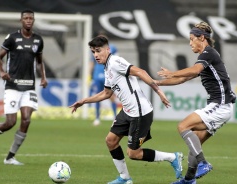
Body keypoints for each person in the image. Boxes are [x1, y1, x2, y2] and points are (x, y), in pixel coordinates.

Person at [70, 36, 183, 184]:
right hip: (127, 112)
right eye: (93, 52)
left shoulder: (116, 62)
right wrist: (84, 101)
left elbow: (140, 71)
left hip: (140, 113)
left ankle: (173, 157)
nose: (96, 55)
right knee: (111, 141)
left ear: (107, 50)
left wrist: (159, 91)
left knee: (133, 154)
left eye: (98, 51)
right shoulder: (107, 68)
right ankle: (124, 178)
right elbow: (107, 93)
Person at [156, 21, 236, 184]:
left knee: (183, 126)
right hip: (220, 106)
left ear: (202, 38)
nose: (190, 42)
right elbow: (184, 78)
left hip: (220, 105)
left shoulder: (208, 53)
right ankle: (189, 180)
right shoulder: (206, 57)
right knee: (195, 143)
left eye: (192, 39)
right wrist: (155, 83)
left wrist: (172, 73)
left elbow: (194, 71)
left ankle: (204, 163)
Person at [0, 9, 48, 165]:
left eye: (31, 18)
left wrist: (43, 77)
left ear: (33, 20)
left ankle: (10, 157)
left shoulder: (38, 40)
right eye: (26, 18)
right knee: (10, 122)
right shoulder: (12, 38)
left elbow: (39, 61)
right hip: (12, 86)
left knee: (26, 119)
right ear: (21, 20)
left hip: (29, 86)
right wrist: (2, 71)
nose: (29, 20)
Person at [89, 33, 119, 126]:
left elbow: (116, 60)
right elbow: (91, 62)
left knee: (111, 96)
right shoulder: (95, 49)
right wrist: (89, 76)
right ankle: (97, 118)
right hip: (97, 76)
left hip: (108, 75)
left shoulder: (112, 48)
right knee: (97, 97)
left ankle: (115, 118)